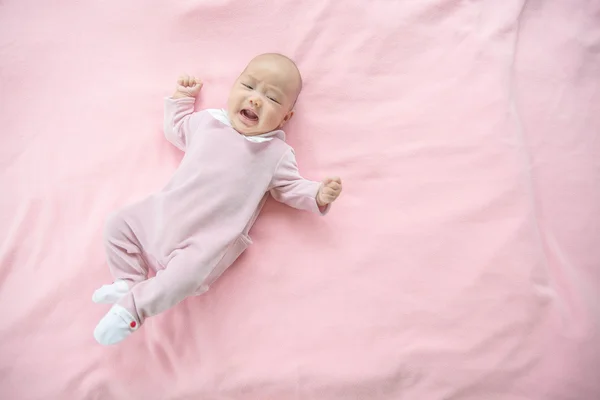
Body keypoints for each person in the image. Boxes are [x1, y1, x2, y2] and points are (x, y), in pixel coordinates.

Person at [92, 53, 343, 345]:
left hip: (204, 243)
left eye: (272, 99)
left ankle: (132, 310)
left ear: (286, 117)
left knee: (183, 279)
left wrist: (317, 194)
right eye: (248, 87)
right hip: (162, 216)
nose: (256, 100)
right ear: (234, 86)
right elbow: (176, 129)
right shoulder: (208, 122)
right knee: (118, 224)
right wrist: (182, 98)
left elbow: (289, 187)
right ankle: (128, 282)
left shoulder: (275, 154)